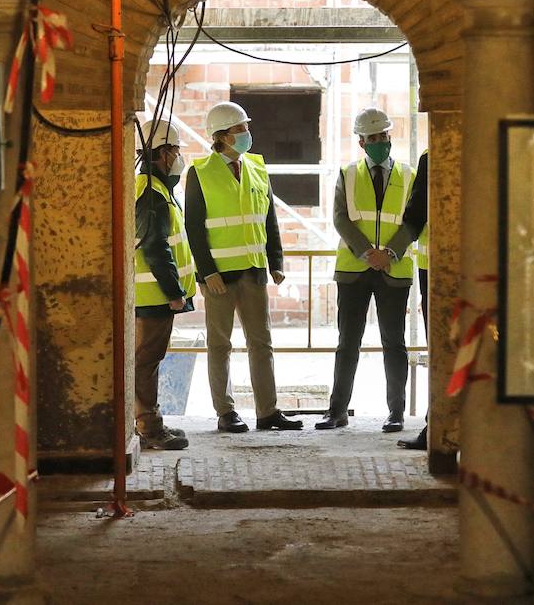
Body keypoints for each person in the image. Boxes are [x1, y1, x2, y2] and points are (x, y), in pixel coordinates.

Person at [185, 101, 303, 433]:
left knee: (261, 343)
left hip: (253, 270)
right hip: (219, 276)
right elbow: (193, 226)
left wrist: (276, 261)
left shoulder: (257, 168)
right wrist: (207, 272)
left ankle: (268, 412)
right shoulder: (200, 172)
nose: (246, 134)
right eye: (239, 129)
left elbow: (269, 219)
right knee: (220, 344)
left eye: (246, 128)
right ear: (221, 136)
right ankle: (226, 412)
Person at [316, 108, 416, 433]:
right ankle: (337, 410)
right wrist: (366, 252)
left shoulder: (409, 175)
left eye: (383, 136)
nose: (379, 143)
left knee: (394, 343)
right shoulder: (347, 174)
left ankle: (396, 412)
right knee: (348, 342)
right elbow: (340, 217)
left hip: (394, 269)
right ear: (361, 142)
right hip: (354, 270)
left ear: (390, 136)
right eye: (372, 138)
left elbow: (414, 220)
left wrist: (390, 252)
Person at [133, 120, 195, 451]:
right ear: (162, 153)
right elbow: (155, 247)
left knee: (146, 361)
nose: (178, 157)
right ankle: (149, 428)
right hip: (154, 295)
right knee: (146, 361)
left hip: (154, 294)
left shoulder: (154, 190)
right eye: (175, 151)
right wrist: (174, 293)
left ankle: (149, 421)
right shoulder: (152, 194)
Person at [397, 149, 429, 450]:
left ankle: (438, 426)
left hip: (437, 271)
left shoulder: (434, 155)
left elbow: (415, 215)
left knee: (443, 349)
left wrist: (392, 249)